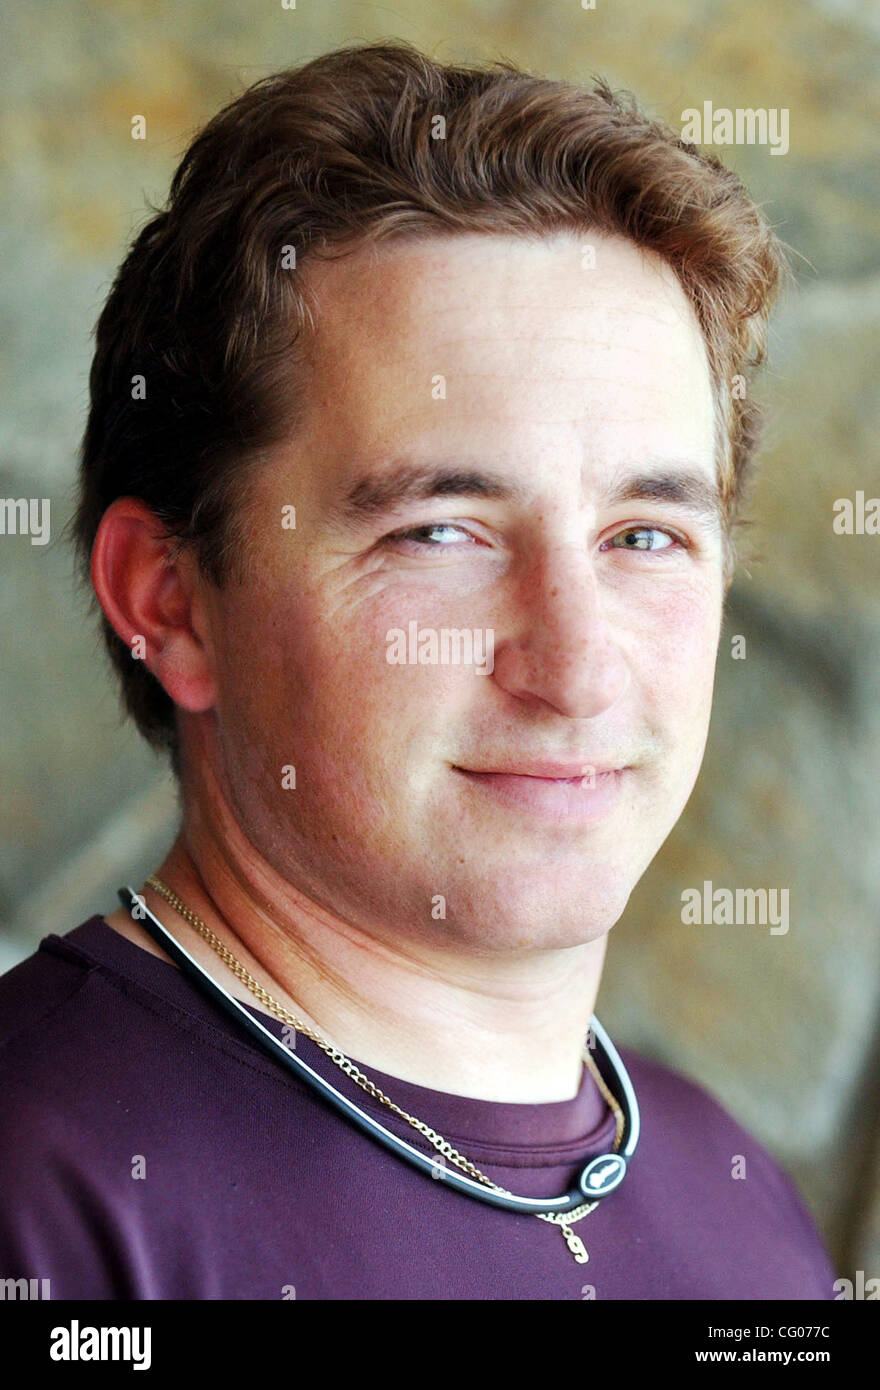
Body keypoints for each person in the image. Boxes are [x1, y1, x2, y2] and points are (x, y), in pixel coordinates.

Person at [0, 39, 835, 1300]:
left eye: (645, 535)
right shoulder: (42, 1200)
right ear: (171, 602)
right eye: (438, 532)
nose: (574, 666)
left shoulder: (729, 1192)